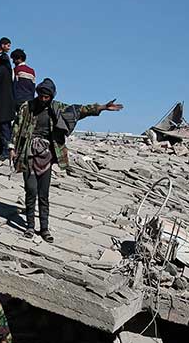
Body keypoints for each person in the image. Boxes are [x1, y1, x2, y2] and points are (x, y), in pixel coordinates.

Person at [10, 79, 123, 242]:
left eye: (47, 97)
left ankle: (44, 229)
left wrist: (101, 107)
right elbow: (16, 127)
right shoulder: (27, 107)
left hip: (46, 156)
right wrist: (11, 148)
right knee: (31, 191)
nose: (43, 99)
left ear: (51, 96)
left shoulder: (58, 108)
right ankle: (29, 226)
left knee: (43, 194)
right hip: (28, 154)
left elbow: (80, 110)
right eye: (41, 96)